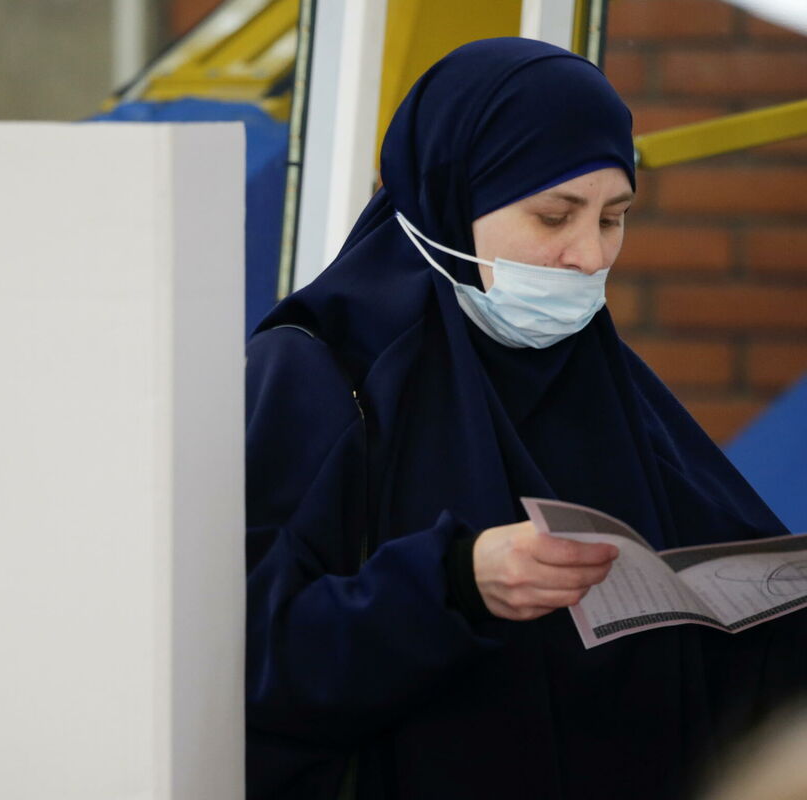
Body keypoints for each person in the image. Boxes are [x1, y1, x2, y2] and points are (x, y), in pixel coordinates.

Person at [245, 38, 802, 800]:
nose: (589, 255)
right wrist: (453, 581)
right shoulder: (321, 375)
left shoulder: (605, 381)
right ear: (449, 196)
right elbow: (254, 661)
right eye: (554, 215)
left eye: (614, 218)